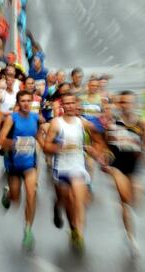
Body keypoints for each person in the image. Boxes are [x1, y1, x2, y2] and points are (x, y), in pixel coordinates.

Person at [44, 93, 105, 253]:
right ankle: (70, 225)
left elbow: (99, 138)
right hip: (61, 169)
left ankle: (79, 233)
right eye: (67, 103)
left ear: (76, 104)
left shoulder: (83, 123)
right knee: (67, 204)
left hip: (78, 167)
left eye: (72, 103)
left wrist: (96, 151)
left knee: (79, 201)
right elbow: (46, 147)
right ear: (62, 105)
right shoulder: (56, 124)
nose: (70, 106)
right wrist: (58, 147)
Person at [100, 91, 144, 258]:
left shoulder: (140, 122)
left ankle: (129, 233)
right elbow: (106, 146)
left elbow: (143, 143)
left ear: (135, 104)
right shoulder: (112, 123)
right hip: (118, 166)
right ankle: (131, 239)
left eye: (130, 102)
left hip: (135, 167)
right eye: (123, 102)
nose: (126, 105)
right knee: (125, 201)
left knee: (135, 203)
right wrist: (106, 160)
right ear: (120, 104)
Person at [0, 90, 44, 251]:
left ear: (32, 102)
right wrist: (15, 143)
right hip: (14, 165)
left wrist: (47, 146)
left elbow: (38, 136)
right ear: (18, 103)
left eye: (28, 100)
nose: (26, 103)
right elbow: (1, 140)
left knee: (31, 195)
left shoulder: (35, 118)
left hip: (30, 164)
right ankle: (8, 193)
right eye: (22, 101)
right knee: (16, 199)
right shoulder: (12, 119)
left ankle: (28, 230)